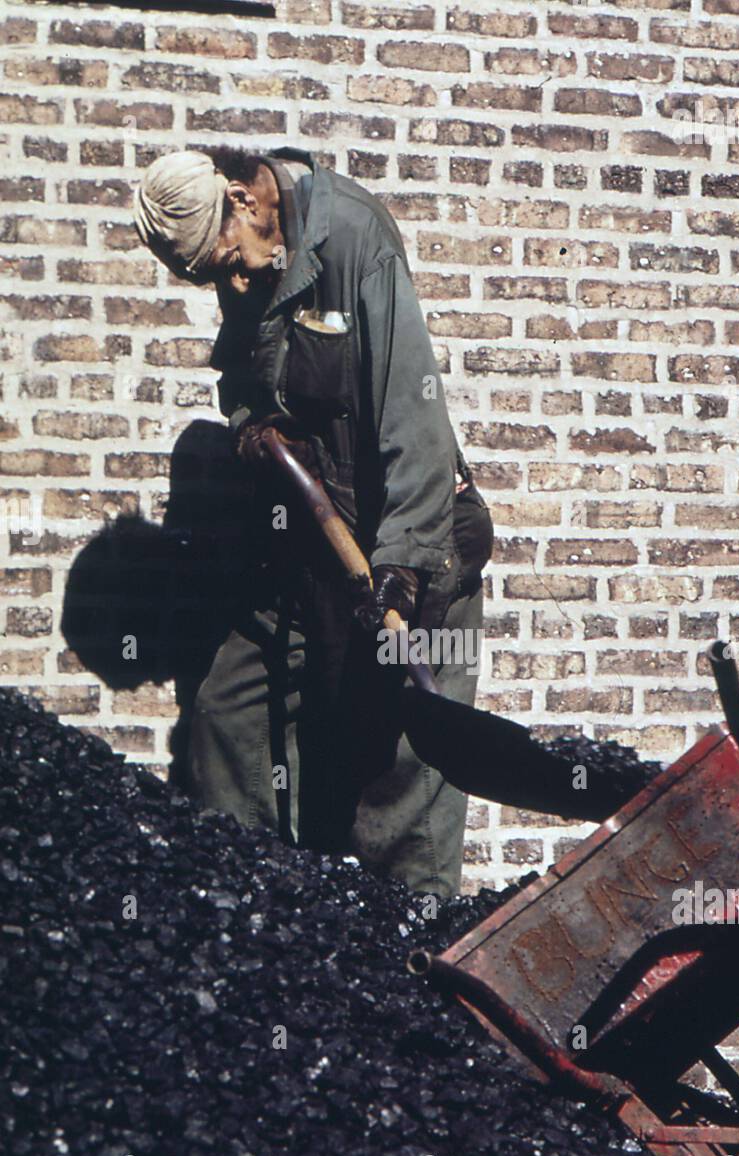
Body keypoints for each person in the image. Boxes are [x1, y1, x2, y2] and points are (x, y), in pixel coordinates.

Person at [132, 145, 494, 897]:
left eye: (229, 260)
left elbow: (414, 423)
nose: (232, 283)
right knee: (226, 719)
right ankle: (253, 923)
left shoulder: (354, 237)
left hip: (413, 539)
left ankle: (412, 970)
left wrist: (400, 571)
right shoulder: (246, 255)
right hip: (311, 544)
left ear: (243, 197)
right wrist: (250, 423)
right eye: (210, 276)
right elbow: (242, 369)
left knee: (399, 778)